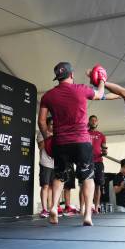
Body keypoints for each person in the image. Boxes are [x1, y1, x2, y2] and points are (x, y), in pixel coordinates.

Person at [38, 62, 105, 226]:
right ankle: (87, 214)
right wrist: (101, 78)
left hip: (60, 143)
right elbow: (101, 93)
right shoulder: (81, 89)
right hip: (81, 142)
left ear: (57, 77)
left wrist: (47, 136)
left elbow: (41, 121)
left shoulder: (48, 96)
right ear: (72, 75)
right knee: (88, 178)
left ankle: (53, 207)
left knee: (60, 177)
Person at [88, 115, 107, 213]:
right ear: (89, 122)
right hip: (87, 162)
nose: (94, 122)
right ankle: (85, 208)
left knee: (98, 185)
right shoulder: (84, 133)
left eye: (95, 120)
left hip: (98, 162)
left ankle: (96, 208)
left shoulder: (101, 135)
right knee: (85, 185)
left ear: (97, 122)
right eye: (92, 120)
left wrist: (105, 152)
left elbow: (104, 149)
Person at [37, 116, 54, 218]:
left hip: (54, 164)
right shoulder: (41, 133)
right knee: (45, 186)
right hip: (45, 163)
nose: (53, 126)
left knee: (52, 187)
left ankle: (51, 208)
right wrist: (48, 136)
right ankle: (44, 209)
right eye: (51, 124)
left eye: (54, 124)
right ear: (47, 125)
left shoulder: (57, 134)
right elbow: (40, 146)